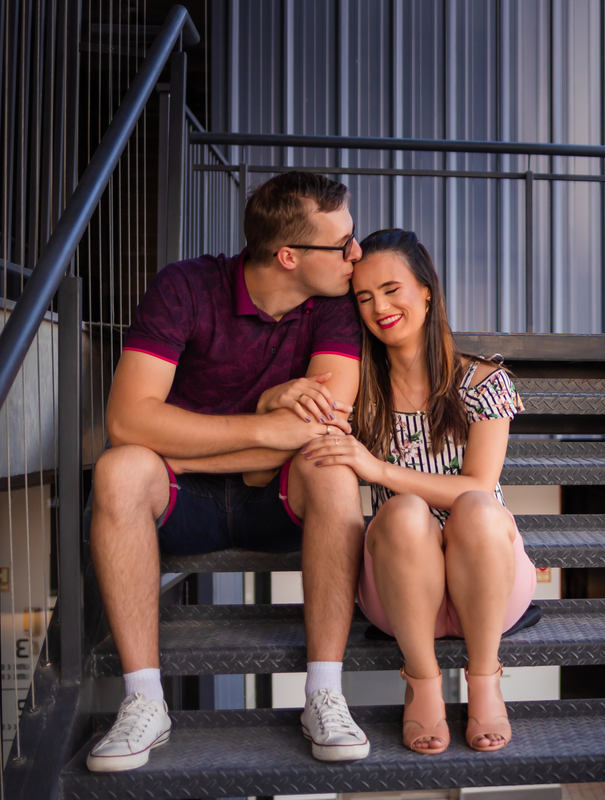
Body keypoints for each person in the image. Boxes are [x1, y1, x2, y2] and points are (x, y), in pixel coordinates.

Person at [85, 171, 371, 772]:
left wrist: (185, 449)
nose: (357, 254)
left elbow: (323, 429)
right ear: (288, 256)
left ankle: (324, 692)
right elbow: (128, 420)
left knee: (332, 467)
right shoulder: (185, 287)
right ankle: (145, 702)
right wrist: (263, 423)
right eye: (342, 242)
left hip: (273, 503)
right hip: (182, 502)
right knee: (119, 470)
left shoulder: (337, 305)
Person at [301, 228, 536, 754]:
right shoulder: (359, 388)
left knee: (475, 505)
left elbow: (477, 485)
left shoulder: (483, 382)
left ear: (426, 290)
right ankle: (422, 683)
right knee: (406, 513)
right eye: (364, 298)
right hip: (403, 591)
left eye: (391, 289)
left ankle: (485, 681)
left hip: (489, 583)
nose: (379, 307)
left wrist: (377, 469)